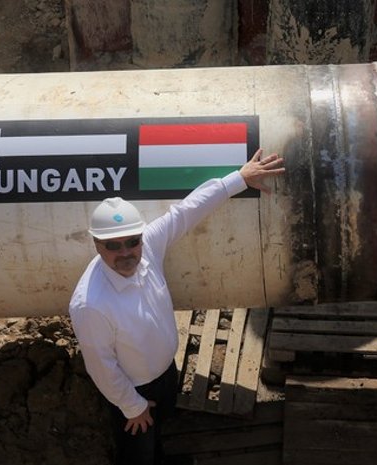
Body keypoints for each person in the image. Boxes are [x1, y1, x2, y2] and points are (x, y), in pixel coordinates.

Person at [69, 149, 285, 465]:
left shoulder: (149, 248)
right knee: (137, 451)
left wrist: (239, 179)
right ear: (96, 244)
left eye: (132, 241)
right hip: (133, 390)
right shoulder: (91, 303)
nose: (126, 251)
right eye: (112, 245)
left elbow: (185, 212)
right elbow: (101, 368)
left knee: (159, 429)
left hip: (166, 373)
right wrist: (133, 406)